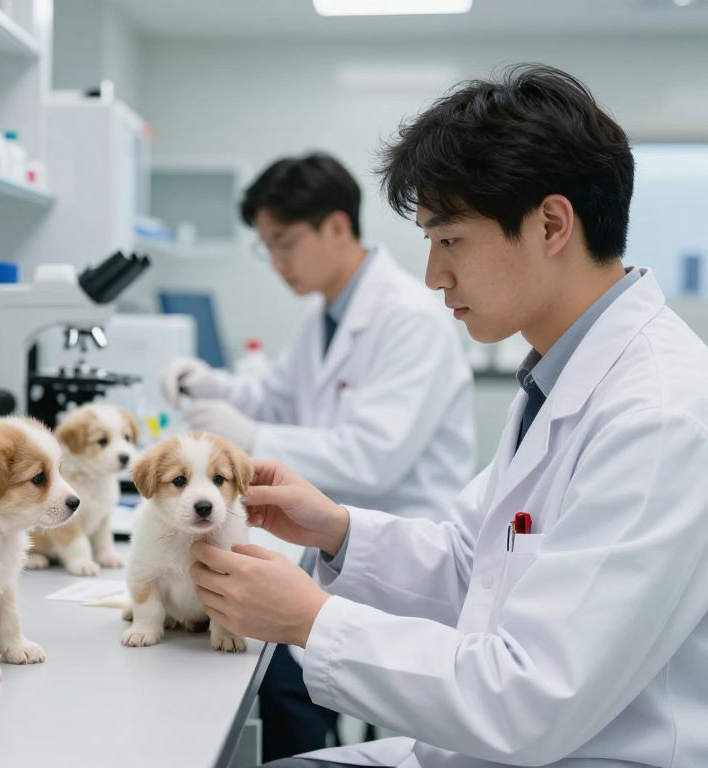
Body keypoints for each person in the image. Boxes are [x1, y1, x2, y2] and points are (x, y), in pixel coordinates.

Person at [189, 64, 708, 768]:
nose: (434, 275)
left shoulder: (658, 416)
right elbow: (477, 567)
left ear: (551, 224)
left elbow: (531, 699)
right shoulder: (560, 375)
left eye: (450, 239)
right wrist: (337, 532)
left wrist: (313, 620)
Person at [162, 152, 476, 760]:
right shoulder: (327, 315)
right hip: (331, 538)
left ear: (335, 226)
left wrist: (252, 437)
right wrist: (212, 387)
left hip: (401, 550)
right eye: (266, 248)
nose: (277, 262)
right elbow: (276, 396)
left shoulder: (408, 318)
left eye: (284, 243)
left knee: (270, 667)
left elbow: (372, 456)